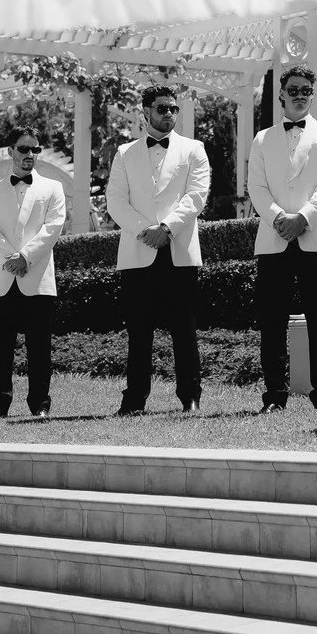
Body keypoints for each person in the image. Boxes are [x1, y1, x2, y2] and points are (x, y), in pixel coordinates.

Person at [106, 85, 211, 415]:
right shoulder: (124, 153)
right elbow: (115, 201)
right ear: (146, 111)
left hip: (178, 250)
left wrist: (166, 228)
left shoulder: (195, 149)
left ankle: (190, 397)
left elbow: (196, 196)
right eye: (162, 108)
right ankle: (135, 399)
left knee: (184, 330)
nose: (169, 114)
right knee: (139, 333)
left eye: (173, 109)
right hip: (138, 252)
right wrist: (145, 231)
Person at [247, 64, 317, 413]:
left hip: (314, 238)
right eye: (294, 89)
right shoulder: (262, 139)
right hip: (273, 241)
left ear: (312, 94)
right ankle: (274, 396)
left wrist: (302, 218)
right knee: (272, 323)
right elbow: (256, 188)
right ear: (281, 95)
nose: (300, 95)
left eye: (306, 89)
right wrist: (279, 220)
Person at [0, 127, 66, 420]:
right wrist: (11, 259)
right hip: (2, 279)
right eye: (24, 148)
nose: (30, 154)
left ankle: (40, 405)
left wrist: (26, 257)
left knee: (40, 348)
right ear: (10, 152)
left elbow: (53, 228)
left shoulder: (53, 188)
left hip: (38, 278)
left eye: (35, 149)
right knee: (1, 349)